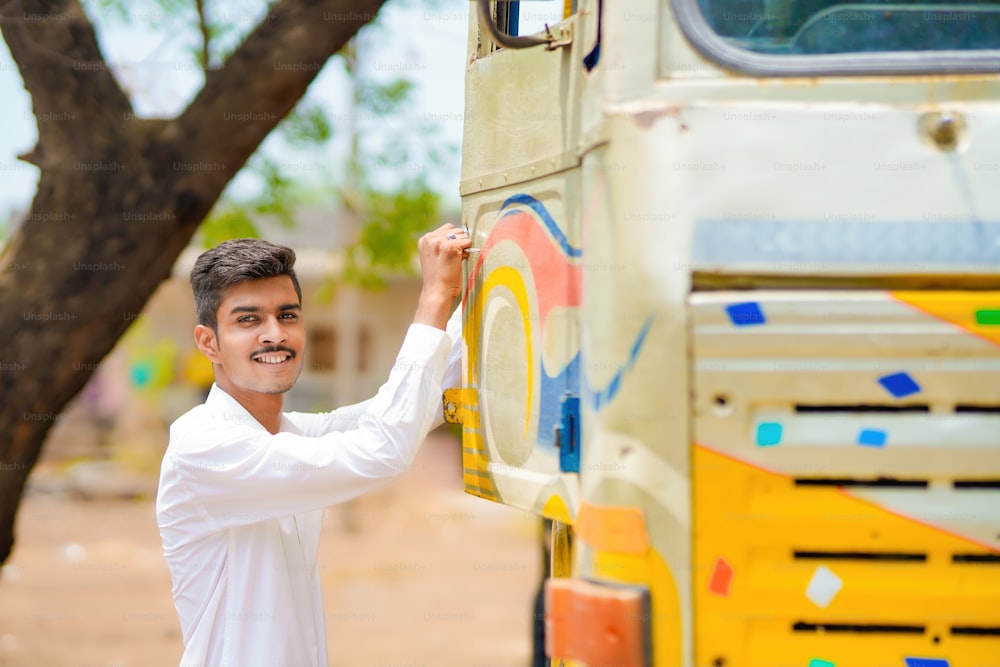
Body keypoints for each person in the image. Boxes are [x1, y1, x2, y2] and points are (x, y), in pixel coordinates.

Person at [156, 225, 472, 666]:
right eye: (248, 320)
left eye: (287, 315)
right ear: (209, 342)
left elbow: (414, 404)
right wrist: (434, 298)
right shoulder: (205, 446)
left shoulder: (289, 435)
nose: (274, 335)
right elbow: (384, 449)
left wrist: (473, 287)